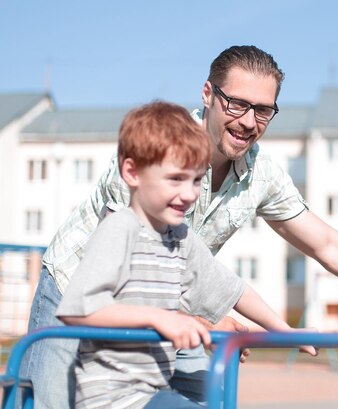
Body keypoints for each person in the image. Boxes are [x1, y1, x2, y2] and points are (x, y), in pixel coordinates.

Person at [23, 44, 338, 409]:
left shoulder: (260, 173)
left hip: (170, 307)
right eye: (237, 103)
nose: (248, 122)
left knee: (207, 395)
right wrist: (212, 317)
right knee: (56, 402)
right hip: (79, 290)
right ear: (208, 94)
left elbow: (325, 246)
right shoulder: (157, 149)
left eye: (263, 110)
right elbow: (138, 260)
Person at [56, 101, 316, 409]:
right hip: (113, 397)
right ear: (132, 172)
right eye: (176, 179)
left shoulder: (179, 238)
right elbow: (77, 308)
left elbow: (232, 289)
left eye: (195, 180)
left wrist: (285, 331)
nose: (189, 193)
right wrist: (162, 320)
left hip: (152, 390)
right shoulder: (119, 228)